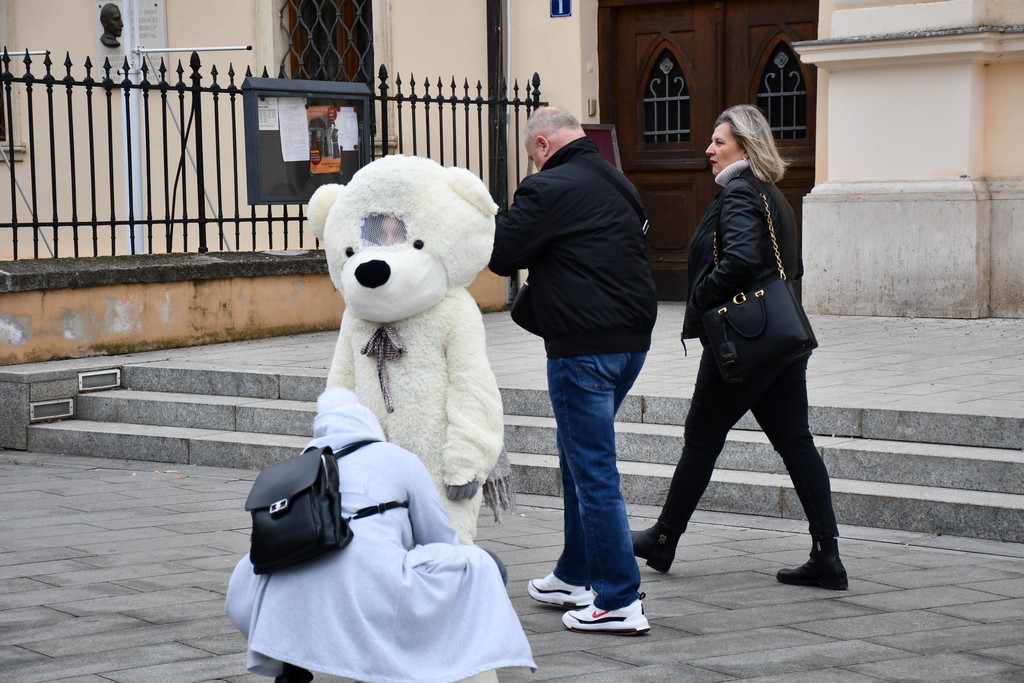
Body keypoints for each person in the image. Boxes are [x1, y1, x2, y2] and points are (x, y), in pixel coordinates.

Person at [631, 104, 848, 590]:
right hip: (782, 340)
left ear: (744, 148)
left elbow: (741, 261)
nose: (708, 149)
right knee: (796, 442)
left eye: (719, 142)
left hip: (745, 345)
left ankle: (664, 538)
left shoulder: (739, 195)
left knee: (702, 438)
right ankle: (827, 554)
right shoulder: (771, 194)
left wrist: (700, 297)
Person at [225, 388, 536, 682]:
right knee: (483, 565)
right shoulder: (395, 457)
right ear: (366, 420)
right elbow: (440, 538)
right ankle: (424, 662)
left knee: (312, 580)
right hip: (372, 586)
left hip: (279, 596)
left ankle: (292, 661)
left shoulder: (297, 469)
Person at [489, 106, 658, 634]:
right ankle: (576, 574)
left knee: (592, 469)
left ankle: (617, 599)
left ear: (542, 145)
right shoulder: (616, 180)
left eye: (531, 155)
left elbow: (501, 252)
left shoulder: (548, 187)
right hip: (630, 342)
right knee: (577, 458)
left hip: (582, 347)